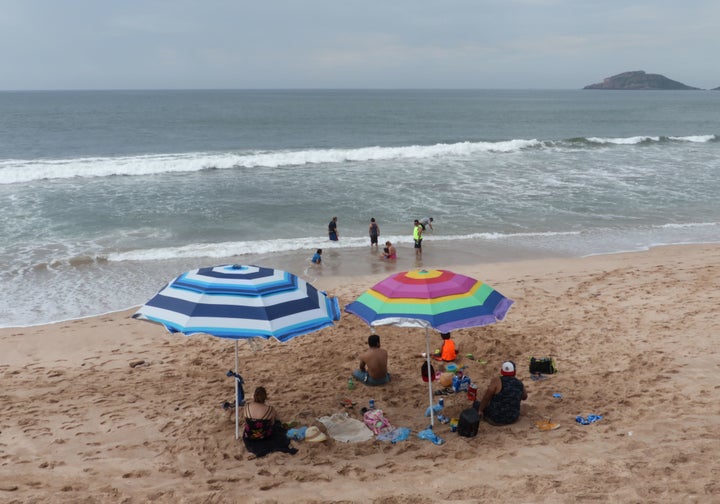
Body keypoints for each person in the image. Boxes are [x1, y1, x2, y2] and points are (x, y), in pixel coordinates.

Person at [242, 386, 298, 457]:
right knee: (278, 425)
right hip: (265, 436)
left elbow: (245, 422)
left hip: (249, 437)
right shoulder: (270, 409)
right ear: (265, 397)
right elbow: (272, 423)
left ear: (254, 396)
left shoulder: (247, 407)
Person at [473, 361, 527, 425]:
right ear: (514, 372)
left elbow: (487, 397)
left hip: (496, 418)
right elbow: (524, 397)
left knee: (476, 404)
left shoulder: (497, 381)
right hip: (513, 417)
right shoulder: (519, 383)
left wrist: (480, 410)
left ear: (501, 371)